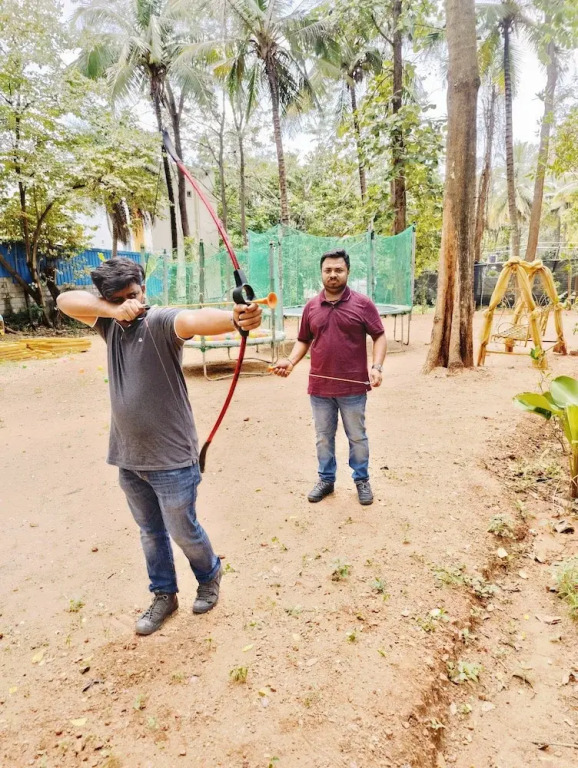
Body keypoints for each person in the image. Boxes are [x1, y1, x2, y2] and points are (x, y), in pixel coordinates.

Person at [57, 257, 262, 635]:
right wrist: (113, 310)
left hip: (172, 459)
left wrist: (237, 319)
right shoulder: (108, 324)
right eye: (119, 298)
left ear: (144, 290)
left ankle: (209, 574)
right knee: (150, 532)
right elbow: (64, 301)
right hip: (128, 455)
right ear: (107, 299)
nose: (131, 303)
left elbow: (192, 320)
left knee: (182, 529)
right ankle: (164, 594)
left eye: (135, 294)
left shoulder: (160, 321)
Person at [271, 249, 386, 506]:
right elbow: (303, 339)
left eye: (338, 270)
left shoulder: (363, 304)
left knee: (357, 436)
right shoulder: (311, 306)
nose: (333, 274)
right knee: (323, 437)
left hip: (353, 389)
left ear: (348, 272)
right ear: (321, 273)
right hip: (320, 388)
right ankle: (326, 479)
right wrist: (290, 361)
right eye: (328, 270)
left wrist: (377, 367)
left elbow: (379, 335)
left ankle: (361, 480)